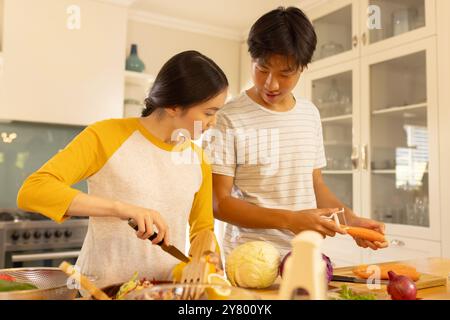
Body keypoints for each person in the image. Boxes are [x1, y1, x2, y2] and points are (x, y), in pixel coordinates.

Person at [17, 50, 228, 288]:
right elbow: (33, 190)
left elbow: (203, 230)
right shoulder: (106, 136)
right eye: (208, 113)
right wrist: (120, 208)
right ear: (173, 105)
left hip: (161, 292)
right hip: (100, 291)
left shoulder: (198, 159)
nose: (213, 122)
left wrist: (208, 263)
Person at [208, 7, 389, 258]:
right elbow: (219, 203)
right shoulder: (227, 118)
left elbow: (316, 185)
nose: (271, 83)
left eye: (285, 73)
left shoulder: (310, 114)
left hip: (304, 255)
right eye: (262, 69)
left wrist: (352, 220)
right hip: (249, 260)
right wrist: (290, 220)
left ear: (303, 67)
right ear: (252, 59)